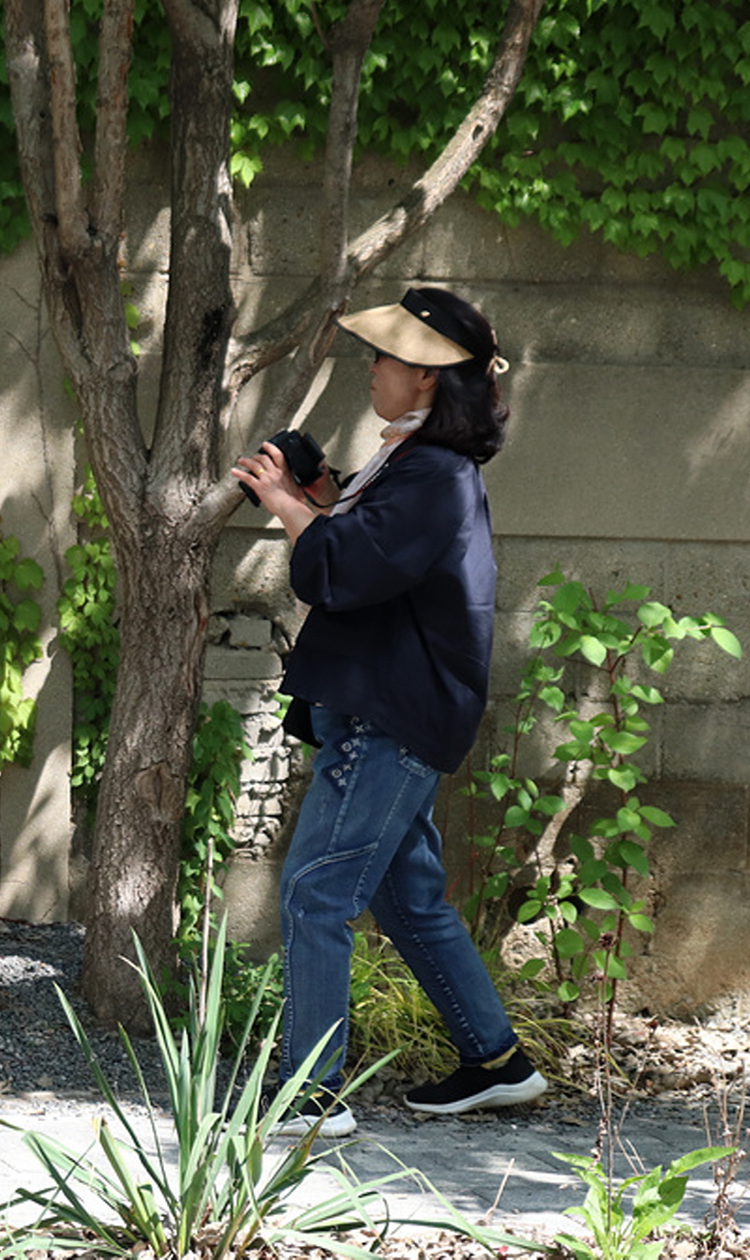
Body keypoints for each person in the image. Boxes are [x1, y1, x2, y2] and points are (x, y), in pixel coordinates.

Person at [233, 286, 546, 1139]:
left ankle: (311, 1095)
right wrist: (318, 495)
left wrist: (287, 502)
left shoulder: (435, 474)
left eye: (386, 356)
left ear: (428, 377)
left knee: (316, 891)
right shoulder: (414, 465)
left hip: (388, 719)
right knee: (408, 898)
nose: (371, 366)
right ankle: (497, 1061)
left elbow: (345, 570)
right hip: (389, 709)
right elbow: (368, 553)